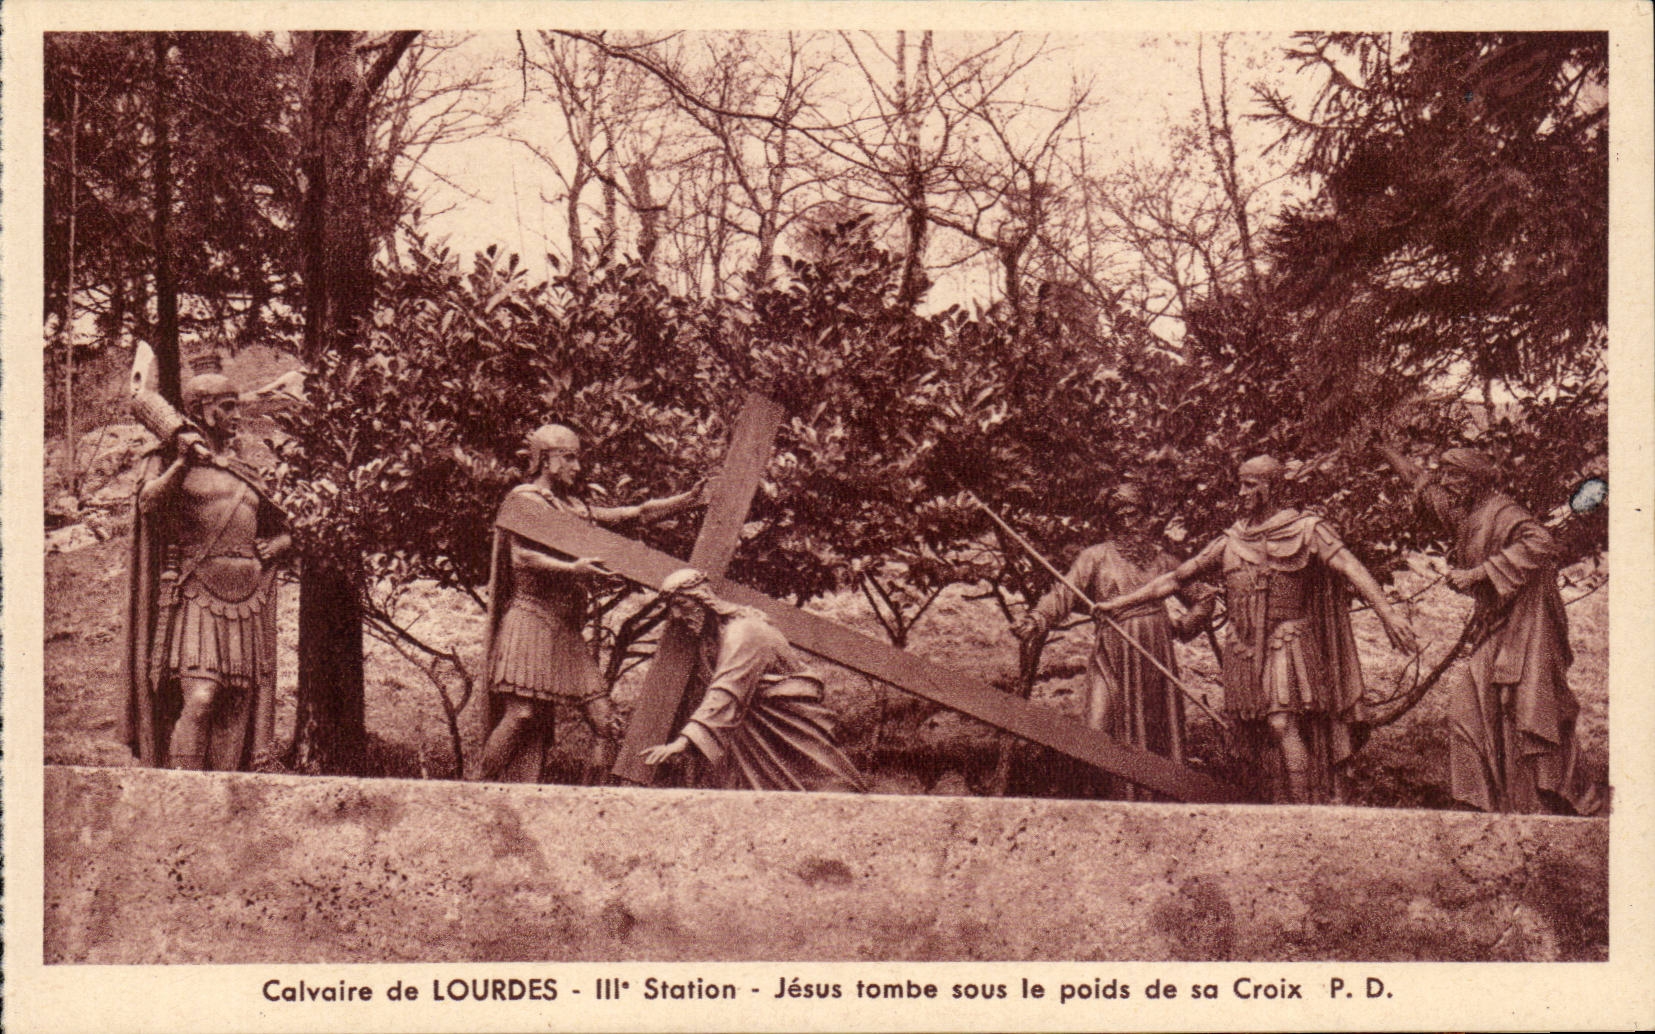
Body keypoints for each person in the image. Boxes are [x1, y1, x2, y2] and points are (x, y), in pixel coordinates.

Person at [1096, 456, 1419, 804]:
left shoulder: (1307, 529)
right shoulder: (1232, 539)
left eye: (1250, 485)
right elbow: (1176, 579)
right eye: (1241, 483)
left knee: (1282, 723)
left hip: (1288, 639)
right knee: (1256, 735)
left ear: (1271, 487)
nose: (1242, 492)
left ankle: (1304, 809)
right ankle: (1277, 803)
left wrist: (1389, 615)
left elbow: (1350, 567)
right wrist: (1119, 604)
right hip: (1243, 647)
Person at [1378, 445, 1601, 814]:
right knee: (1468, 704)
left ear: (1475, 479)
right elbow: (1424, 486)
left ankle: (1551, 799)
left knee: (1526, 707)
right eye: (1445, 474)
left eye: (1455, 476)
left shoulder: (1504, 512)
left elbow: (1541, 543)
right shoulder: (1467, 513)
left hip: (1527, 627)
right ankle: (1487, 803)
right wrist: (1386, 450)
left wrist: (1477, 574)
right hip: (1494, 625)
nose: (1446, 483)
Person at [477, 424, 703, 783]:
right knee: (521, 715)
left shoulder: (571, 508)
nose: (577, 467)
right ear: (545, 460)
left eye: (576, 458)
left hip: (564, 631)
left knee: (605, 721)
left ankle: (592, 801)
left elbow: (635, 514)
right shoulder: (525, 501)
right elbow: (521, 558)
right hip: (530, 620)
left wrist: (685, 501)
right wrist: (573, 567)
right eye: (569, 458)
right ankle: (477, 790)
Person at [125, 356, 289, 770]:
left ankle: (224, 796)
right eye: (227, 406)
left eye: (238, 405)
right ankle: (182, 790)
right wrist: (183, 461)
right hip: (199, 594)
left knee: (236, 704)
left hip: (248, 600)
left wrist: (282, 543)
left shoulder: (244, 470)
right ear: (201, 410)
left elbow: (287, 523)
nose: (237, 415)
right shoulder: (168, 460)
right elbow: (149, 505)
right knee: (200, 698)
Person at [1011, 483, 1215, 797]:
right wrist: (1037, 619)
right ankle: (1106, 802)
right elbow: (1063, 593)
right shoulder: (1095, 557)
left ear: (1147, 517)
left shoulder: (1166, 563)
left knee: (1157, 733)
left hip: (1155, 652)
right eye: (1118, 515)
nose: (1127, 522)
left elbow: (1204, 597)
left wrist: (1181, 627)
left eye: (1133, 514)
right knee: (1095, 729)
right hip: (1113, 649)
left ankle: (1156, 805)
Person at [638, 568, 867, 793]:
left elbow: (727, 689)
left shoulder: (745, 632)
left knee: (820, 789)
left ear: (704, 599)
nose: (677, 615)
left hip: (785, 729)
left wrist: (684, 741)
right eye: (672, 607)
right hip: (748, 733)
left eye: (682, 604)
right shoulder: (710, 641)